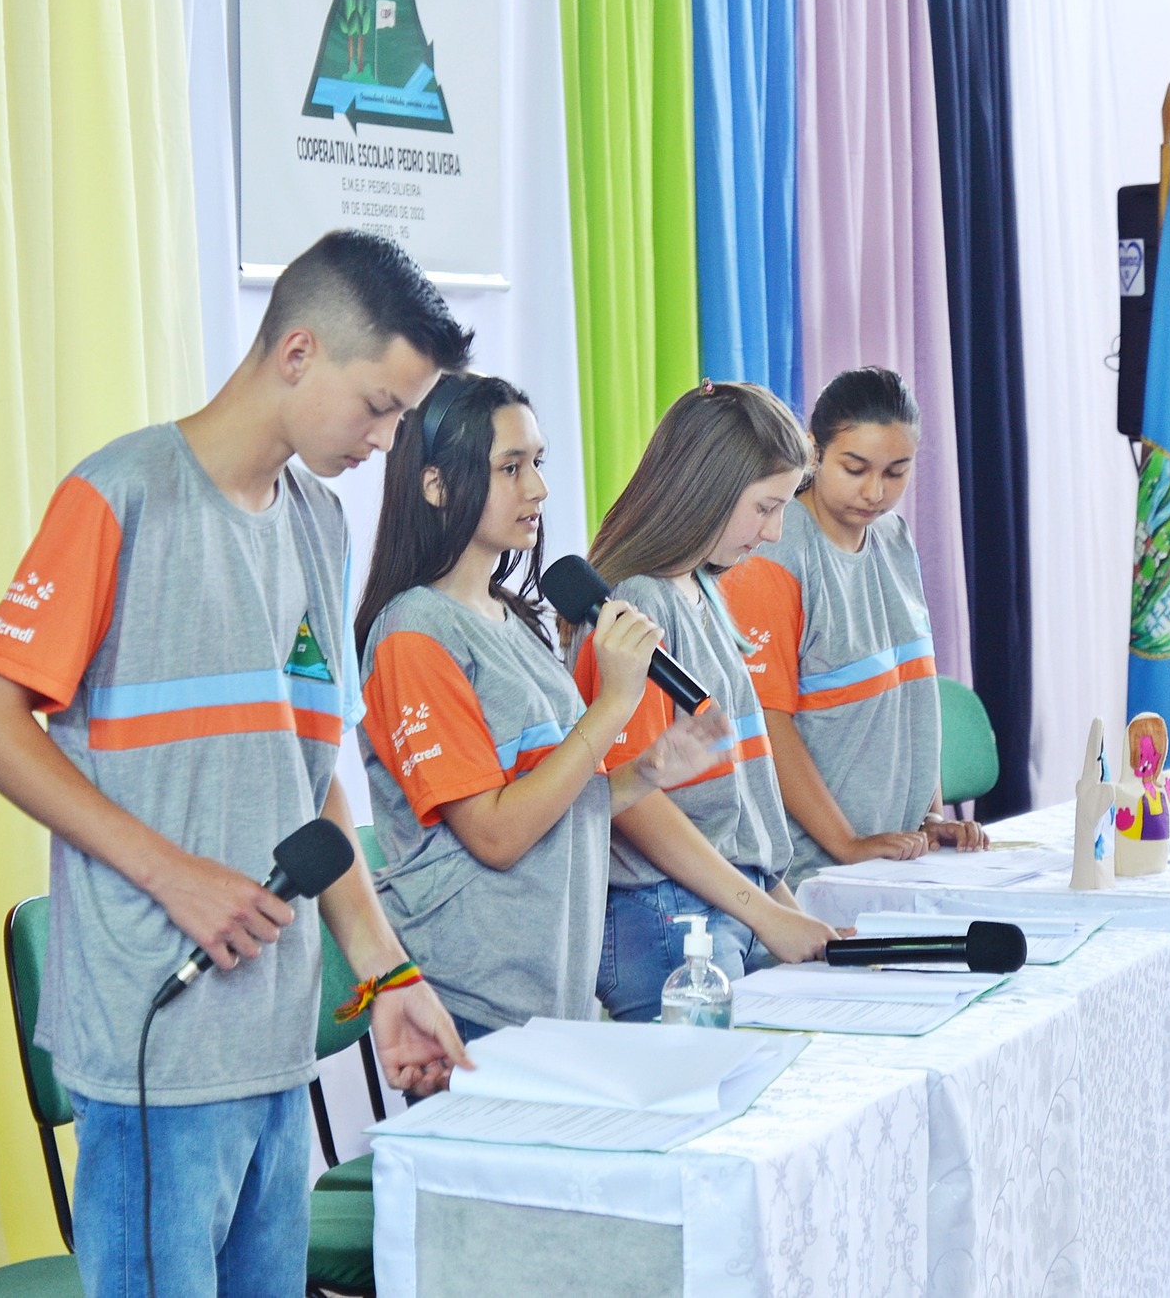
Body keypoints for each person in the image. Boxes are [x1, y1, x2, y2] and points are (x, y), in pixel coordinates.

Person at [0, 230, 473, 1298]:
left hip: (274, 1038)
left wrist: (385, 970)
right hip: (157, 1038)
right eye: (378, 406)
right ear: (298, 352)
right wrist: (175, 875)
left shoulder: (319, 525)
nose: (386, 440)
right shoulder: (119, 496)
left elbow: (308, 777)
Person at [354, 373, 733, 1046]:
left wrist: (646, 772)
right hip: (473, 1002)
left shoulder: (515, 618)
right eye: (510, 468)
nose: (538, 488)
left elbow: (555, 800)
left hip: (553, 995)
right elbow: (497, 835)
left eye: (538, 462)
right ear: (436, 485)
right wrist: (613, 705)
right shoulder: (414, 632)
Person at [570, 381, 841, 1024]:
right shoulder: (639, 601)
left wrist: (788, 914)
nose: (775, 533)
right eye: (765, 508)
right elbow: (634, 802)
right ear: (709, 489)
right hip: (670, 916)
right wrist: (767, 915)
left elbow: (739, 813)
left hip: (725, 904)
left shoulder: (701, 590)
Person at [721, 365, 986, 887]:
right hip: (817, 875)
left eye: (896, 472)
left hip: (896, 859)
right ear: (814, 451)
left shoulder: (895, 538)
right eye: (855, 468)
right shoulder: (776, 554)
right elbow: (766, 723)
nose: (874, 492)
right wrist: (846, 844)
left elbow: (914, 694)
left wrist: (930, 816)